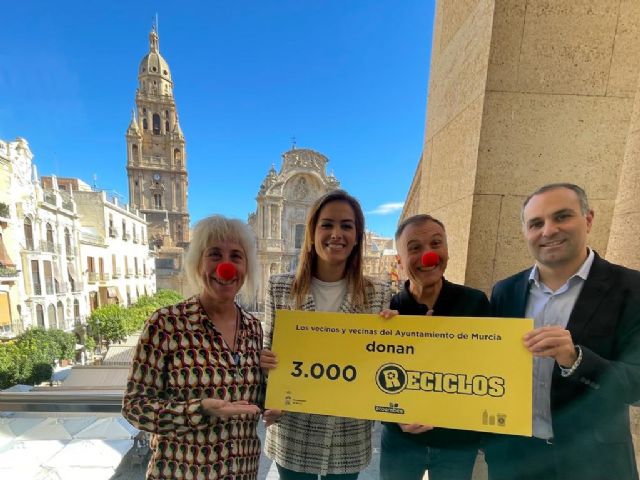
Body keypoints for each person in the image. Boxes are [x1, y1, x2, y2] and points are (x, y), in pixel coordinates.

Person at [484, 183, 640, 480]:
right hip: (514, 461)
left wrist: (576, 359)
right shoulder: (506, 291)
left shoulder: (632, 289)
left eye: (562, 217)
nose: (549, 231)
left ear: (589, 219)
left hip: (594, 464)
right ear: (525, 232)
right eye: (536, 223)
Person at [260, 189, 391, 479]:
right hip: (292, 432)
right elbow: (268, 351)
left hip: (348, 435)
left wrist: (395, 334)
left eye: (347, 226)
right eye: (327, 224)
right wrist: (266, 374)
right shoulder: (279, 286)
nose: (336, 233)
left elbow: (379, 362)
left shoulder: (378, 293)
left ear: (357, 236)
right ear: (311, 233)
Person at [122, 215, 265, 480]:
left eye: (236, 256)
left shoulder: (254, 330)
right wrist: (199, 410)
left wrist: (276, 395)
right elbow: (134, 407)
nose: (226, 267)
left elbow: (252, 401)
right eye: (214, 254)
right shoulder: (165, 324)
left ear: (247, 267)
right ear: (198, 262)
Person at [379, 214, 491, 480]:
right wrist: (394, 416)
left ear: (447, 251)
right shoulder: (388, 309)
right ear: (400, 260)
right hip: (400, 442)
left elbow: (487, 370)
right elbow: (372, 377)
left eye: (436, 243)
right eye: (415, 248)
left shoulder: (475, 303)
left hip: (457, 444)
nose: (428, 255)